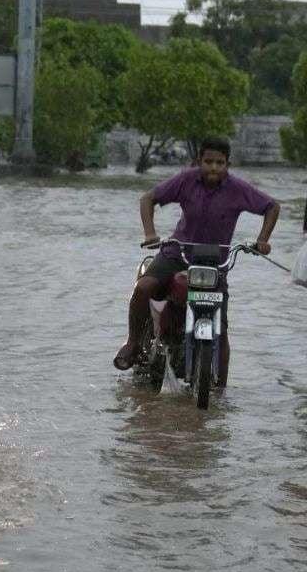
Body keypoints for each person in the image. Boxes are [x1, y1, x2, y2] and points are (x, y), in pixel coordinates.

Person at [113, 137, 280, 386]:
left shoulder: (238, 189)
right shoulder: (185, 180)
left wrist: (263, 240)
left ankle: (221, 389)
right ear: (198, 162)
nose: (214, 167)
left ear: (228, 164)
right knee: (144, 287)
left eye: (220, 163)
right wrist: (150, 233)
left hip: (213, 264)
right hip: (175, 254)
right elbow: (148, 199)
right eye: (208, 162)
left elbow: (272, 206)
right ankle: (133, 344)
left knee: (220, 327)